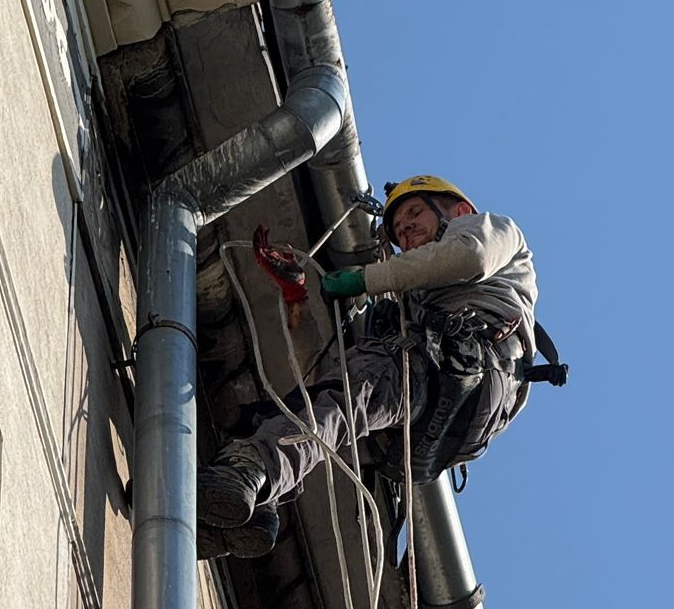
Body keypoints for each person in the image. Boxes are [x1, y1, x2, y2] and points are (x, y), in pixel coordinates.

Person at [198, 175, 539, 560]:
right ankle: (253, 509)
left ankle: (251, 467)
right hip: (444, 409)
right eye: (396, 230)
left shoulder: (492, 231)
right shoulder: (411, 310)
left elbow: (469, 257)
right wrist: (297, 298)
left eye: (415, 212)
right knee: (320, 407)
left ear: (458, 211)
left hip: (464, 367)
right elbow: (324, 375)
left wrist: (365, 279)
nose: (405, 228)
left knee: (351, 393)